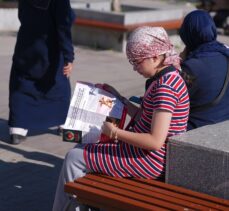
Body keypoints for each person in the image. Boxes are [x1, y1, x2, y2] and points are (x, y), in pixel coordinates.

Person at [52, 26, 190, 211]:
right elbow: (146, 117)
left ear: (155, 57)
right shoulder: (167, 77)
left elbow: (155, 141)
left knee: (74, 158)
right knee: (81, 148)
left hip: (150, 160)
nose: (134, 67)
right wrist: (121, 99)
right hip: (146, 154)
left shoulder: (165, 87)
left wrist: (116, 133)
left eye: (136, 61)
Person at [8, 0, 75, 144]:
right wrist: (69, 56)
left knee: (21, 85)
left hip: (26, 45)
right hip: (50, 50)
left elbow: (22, 15)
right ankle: (63, 124)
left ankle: (17, 129)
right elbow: (63, 26)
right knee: (59, 87)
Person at [179, 10, 229, 130]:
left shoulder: (191, 67)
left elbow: (167, 98)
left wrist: (178, 64)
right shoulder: (225, 53)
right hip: (224, 125)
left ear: (187, 33)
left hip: (195, 129)